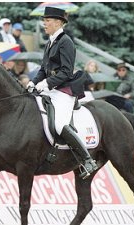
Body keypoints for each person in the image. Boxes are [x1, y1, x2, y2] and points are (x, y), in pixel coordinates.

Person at [27, 7, 98, 179]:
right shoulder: (50, 41)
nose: (44, 23)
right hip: (50, 89)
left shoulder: (66, 41)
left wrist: (46, 84)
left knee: (59, 124)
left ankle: (87, 159)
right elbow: (44, 69)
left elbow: (66, 72)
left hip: (64, 90)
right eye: (44, 20)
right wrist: (33, 82)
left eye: (48, 20)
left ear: (58, 22)